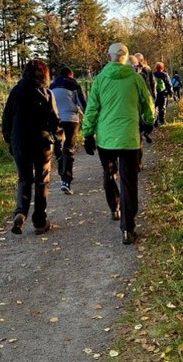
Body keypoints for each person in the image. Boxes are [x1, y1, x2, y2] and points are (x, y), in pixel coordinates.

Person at [83, 43, 155, 245]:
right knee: (128, 181)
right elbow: (147, 102)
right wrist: (148, 123)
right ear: (126, 58)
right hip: (129, 139)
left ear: (109, 57)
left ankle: (114, 206)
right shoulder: (135, 78)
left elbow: (92, 108)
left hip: (106, 139)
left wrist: (87, 133)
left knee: (108, 173)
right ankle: (128, 227)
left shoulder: (100, 80)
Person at [2, 59, 61, 235]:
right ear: (45, 74)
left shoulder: (16, 92)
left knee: (24, 179)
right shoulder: (47, 93)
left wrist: (10, 140)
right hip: (41, 143)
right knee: (42, 180)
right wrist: (59, 141)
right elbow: (55, 121)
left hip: (20, 142)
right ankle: (39, 221)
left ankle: (20, 213)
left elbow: (7, 118)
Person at [50, 66, 87, 194]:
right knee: (69, 147)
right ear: (71, 75)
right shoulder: (73, 84)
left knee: (58, 145)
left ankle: (61, 168)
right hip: (71, 119)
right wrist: (87, 118)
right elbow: (82, 103)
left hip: (56, 120)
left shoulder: (52, 86)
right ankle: (66, 180)